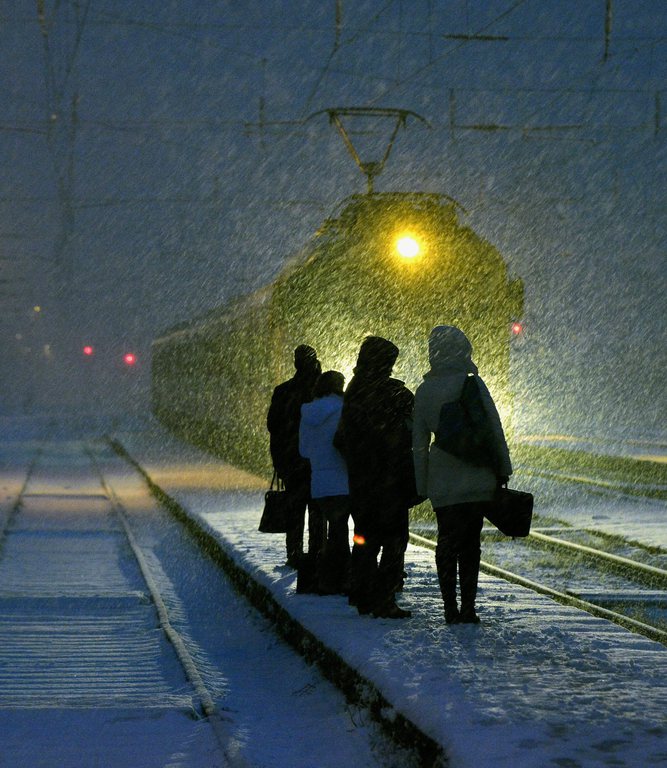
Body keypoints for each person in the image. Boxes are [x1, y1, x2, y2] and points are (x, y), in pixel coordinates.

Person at [412, 325, 513, 624]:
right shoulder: (472, 383)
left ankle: (449, 608)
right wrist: (503, 468)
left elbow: (418, 445)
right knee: (471, 543)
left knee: (447, 540)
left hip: (443, 477)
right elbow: (494, 428)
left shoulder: (425, 390)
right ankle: (469, 607)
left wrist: (422, 483)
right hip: (476, 475)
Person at [334, 336, 418, 619]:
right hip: (386, 483)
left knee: (364, 539)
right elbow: (397, 429)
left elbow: (343, 439)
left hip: (361, 482)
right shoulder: (383, 393)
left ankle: (362, 594)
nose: (392, 368)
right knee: (394, 540)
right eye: (389, 362)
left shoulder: (354, 389)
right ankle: (384, 599)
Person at [267, 344, 324, 567]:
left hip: (292, 461)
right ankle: (317, 552)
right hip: (318, 462)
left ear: (295, 364)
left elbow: (273, 427)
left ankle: (294, 553)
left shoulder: (283, 391)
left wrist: (280, 460)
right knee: (318, 511)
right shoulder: (321, 392)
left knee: (295, 509)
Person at [299, 370, 350, 595]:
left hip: (319, 482)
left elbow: (304, 450)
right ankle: (335, 580)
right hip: (343, 478)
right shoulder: (343, 409)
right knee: (340, 532)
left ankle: (331, 579)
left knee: (335, 531)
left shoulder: (308, 412)